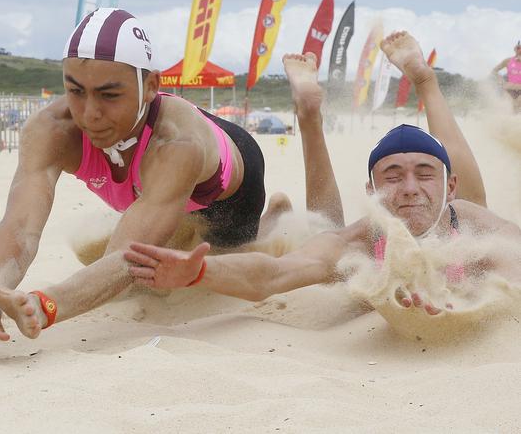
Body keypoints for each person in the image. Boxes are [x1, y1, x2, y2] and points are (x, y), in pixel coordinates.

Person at [0, 8, 279, 347]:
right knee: (144, 272)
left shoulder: (177, 143)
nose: (90, 114)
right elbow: (21, 224)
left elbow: (125, 258)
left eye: (109, 94)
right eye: (76, 91)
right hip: (151, 188)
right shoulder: (52, 129)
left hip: (228, 192)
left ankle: (274, 217)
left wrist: (44, 306)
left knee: (220, 264)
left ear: (151, 86)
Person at [124, 32, 521, 316]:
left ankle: (424, 82)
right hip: (364, 257)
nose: (410, 188)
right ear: (372, 190)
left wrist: (472, 301)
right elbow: (275, 275)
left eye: (424, 174)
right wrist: (199, 272)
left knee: (467, 203)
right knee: (325, 236)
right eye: (393, 176)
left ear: (447, 186)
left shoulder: (476, 226)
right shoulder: (362, 239)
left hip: (461, 215)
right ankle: (308, 116)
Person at [491, 41, 521, 112]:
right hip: (508, 89)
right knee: (511, 110)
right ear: (515, 49)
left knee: (518, 108)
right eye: (519, 48)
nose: (520, 50)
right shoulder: (508, 61)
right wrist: (501, 81)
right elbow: (494, 71)